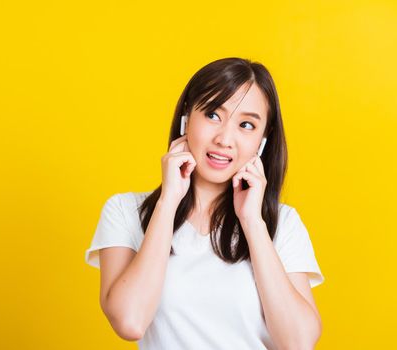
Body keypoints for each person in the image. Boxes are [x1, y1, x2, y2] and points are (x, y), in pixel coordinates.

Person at [84, 57, 325, 349]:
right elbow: (130, 321)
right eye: (213, 115)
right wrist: (169, 201)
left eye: (246, 125)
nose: (225, 139)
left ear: (262, 141)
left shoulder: (282, 224)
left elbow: (298, 343)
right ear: (187, 118)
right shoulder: (126, 212)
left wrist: (252, 222)